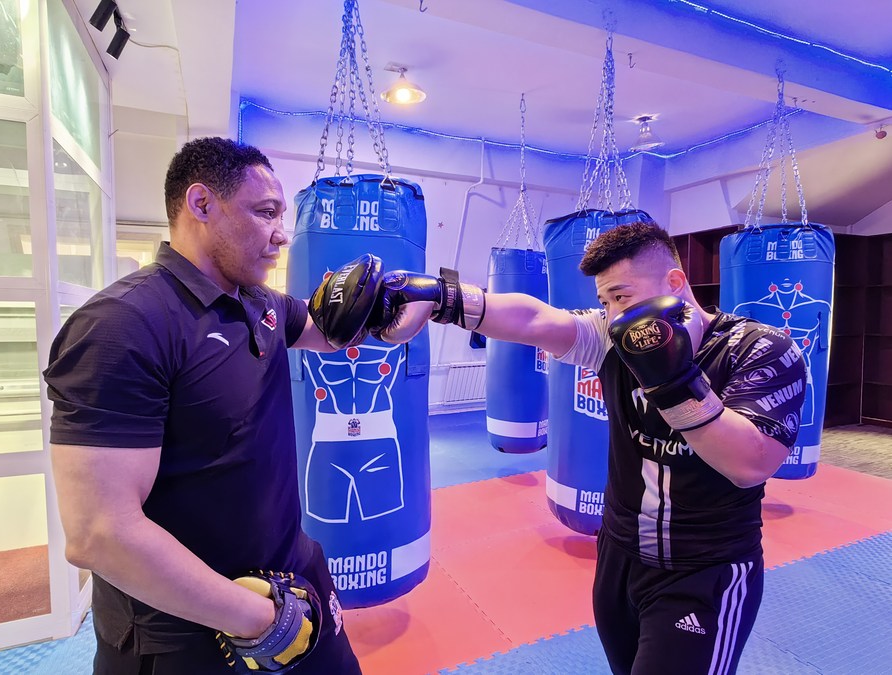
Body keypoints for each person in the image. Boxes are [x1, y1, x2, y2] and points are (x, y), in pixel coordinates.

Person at [374, 221, 806, 675]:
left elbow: (751, 464)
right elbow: (537, 320)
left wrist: (674, 382)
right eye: (605, 303)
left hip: (704, 571)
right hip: (619, 558)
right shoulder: (611, 337)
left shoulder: (759, 348)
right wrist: (444, 298)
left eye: (623, 297)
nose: (615, 316)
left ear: (675, 282)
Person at [44, 137, 372, 674]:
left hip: (294, 584)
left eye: (282, 216)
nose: (281, 233)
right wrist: (255, 618)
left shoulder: (260, 303)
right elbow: (99, 532)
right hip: (192, 631)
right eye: (265, 212)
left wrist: (420, 300)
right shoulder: (123, 325)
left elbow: (331, 332)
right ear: (201, 204)